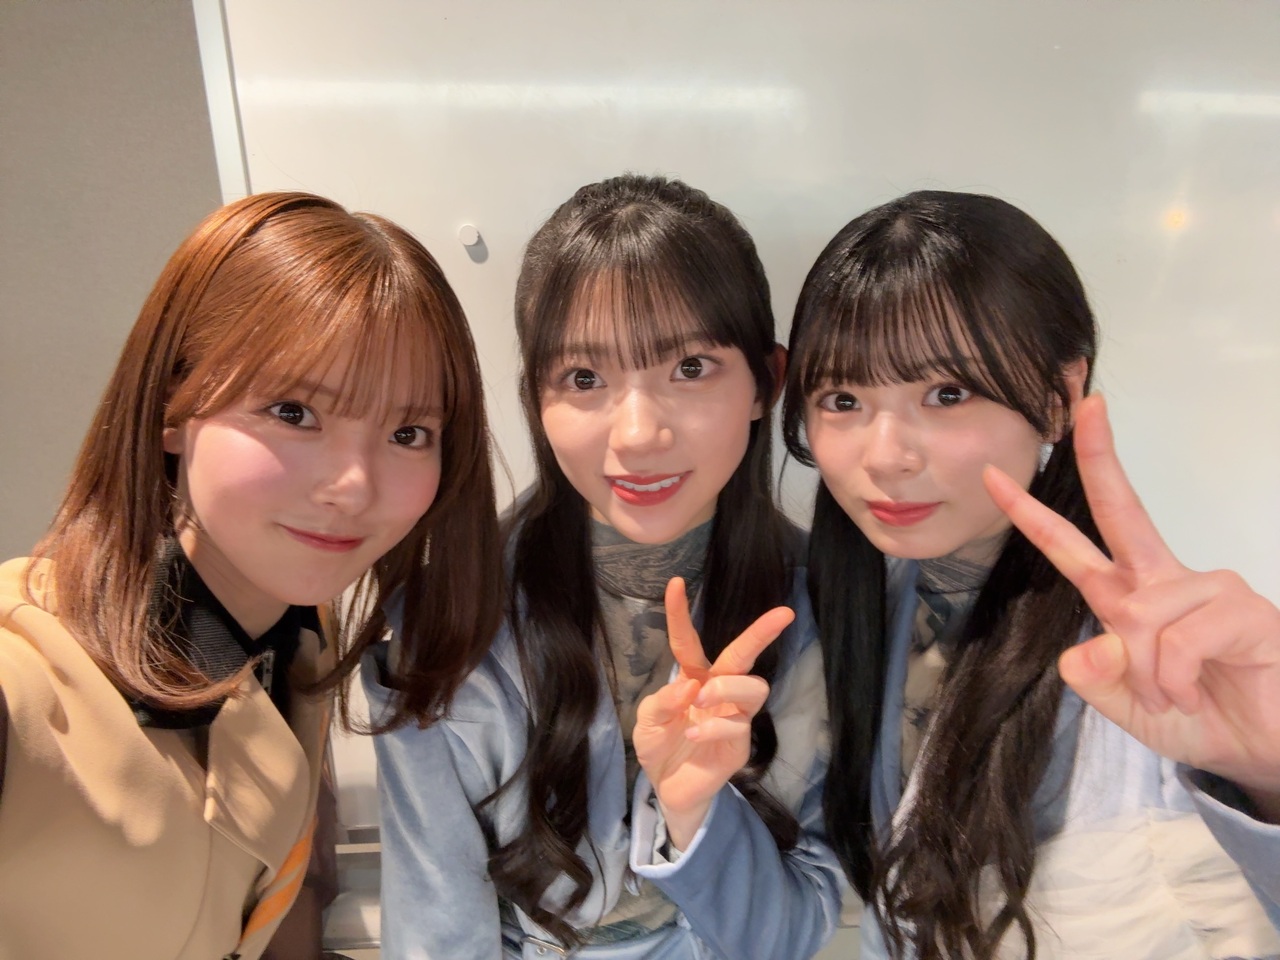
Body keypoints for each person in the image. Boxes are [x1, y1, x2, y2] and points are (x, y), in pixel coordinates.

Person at [0, 192, 501, 960]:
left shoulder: (299, 640)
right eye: (293, 412)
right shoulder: (27, 678)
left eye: (408, 432)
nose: (354, 487)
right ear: (173, 408)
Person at [781, 189, 1280, 960]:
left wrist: (1268, 776)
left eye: (947, 394)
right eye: (843, 399)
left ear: (1057, 400)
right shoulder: (858, 609)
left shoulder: (1151, 656)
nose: (885, 456)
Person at [364, 174, 843, 958]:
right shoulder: (450, 614)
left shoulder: (821, 606)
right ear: (536, 399)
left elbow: (789, 933)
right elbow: (436, 928)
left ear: (767, 382)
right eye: (585, 379)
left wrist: (697, 818)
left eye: (690, 367)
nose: (638, 433)